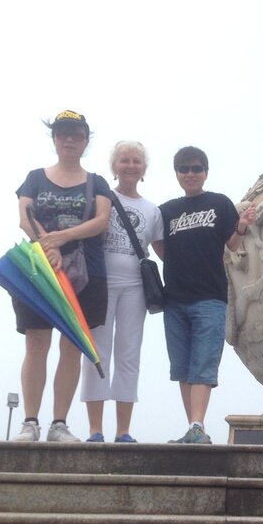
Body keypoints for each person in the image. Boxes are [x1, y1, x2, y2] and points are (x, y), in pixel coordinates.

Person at [11, 110, 112, 442]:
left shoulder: (96, 182)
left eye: (76, 133)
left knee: (72, 346)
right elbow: (25, 217)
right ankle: (30, 421)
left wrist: (62, 239)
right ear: (54, 138)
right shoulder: (34, 178)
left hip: (85, 273)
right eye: (62, 132)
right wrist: (47, 246)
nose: (69, 138)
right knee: (36, 343)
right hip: (39, 271)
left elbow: (101, 220)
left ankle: (59, 423)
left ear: (85, 140)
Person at [159, 146, 256, 444]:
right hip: (174, 297)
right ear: (176, 174)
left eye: (196, 168)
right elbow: (161, 250)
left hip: (210, 297)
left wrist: (241, 226)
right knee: (183, 366)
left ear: (206, 172)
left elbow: (233, 245)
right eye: (184, 169)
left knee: (203, 362)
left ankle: (197, 425)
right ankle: (192, 427)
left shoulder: (219, 203)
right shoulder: (165, 211)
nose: (190, 174)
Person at [80, 141, 164, 443]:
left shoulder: (152, 210)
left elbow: (162, 250)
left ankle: (123, 430)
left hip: (135, 288)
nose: (131, 165)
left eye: (137, 161)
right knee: (96, 353)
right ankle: (95, 429)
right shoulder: (103, 197)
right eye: (125, 160)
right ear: (114, 166)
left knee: (129, 354)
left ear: (144, 169)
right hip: (100, 283)